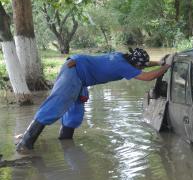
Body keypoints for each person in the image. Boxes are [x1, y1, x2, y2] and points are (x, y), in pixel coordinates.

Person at [16, 48, 174, 152]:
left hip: (78, 72)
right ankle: (25, 143)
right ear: (134, 64)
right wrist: (166, 67)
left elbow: (142, 66)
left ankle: (65, 142)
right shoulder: (124, 67)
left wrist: (159, 62)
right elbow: (147, 77)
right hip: (74, 71)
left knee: (75, 113)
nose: (140, 69)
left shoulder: (122, 57)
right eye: (140, 66)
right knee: (55, 105)